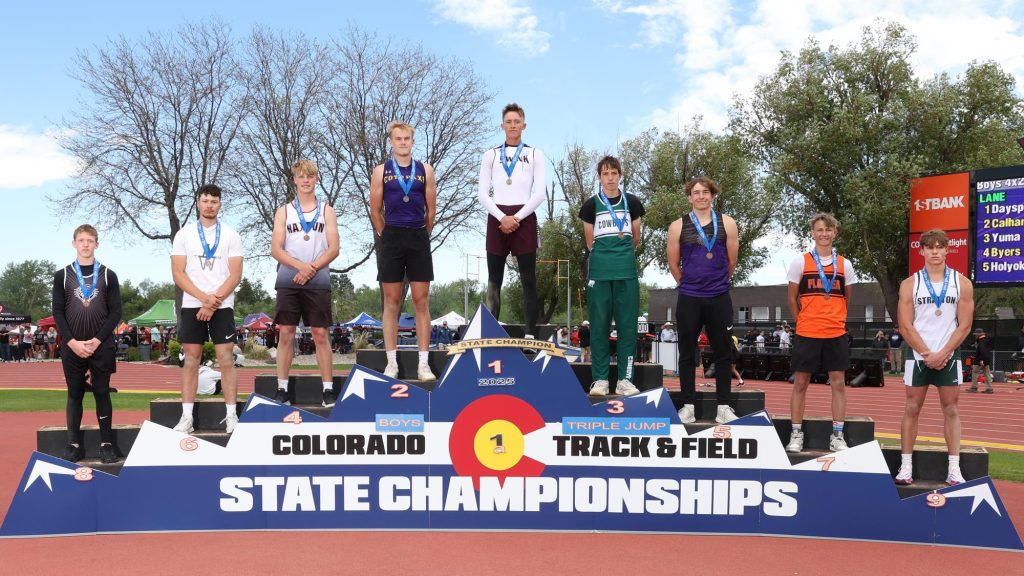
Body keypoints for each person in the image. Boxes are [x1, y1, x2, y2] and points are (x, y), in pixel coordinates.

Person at [896, 229, 974, 486]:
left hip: (949, 355)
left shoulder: (962, 283)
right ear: (922, 251)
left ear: (948, 249)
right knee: (912, 407)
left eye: (940, 247)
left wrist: (943, 353)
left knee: (951, 409)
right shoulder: (910, 284)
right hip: (918, 355)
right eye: (930, 247)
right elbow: (905, 325)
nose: (935, 251)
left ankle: (954, 468)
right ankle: (906, 466)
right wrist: (928, 354)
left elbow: (965, 325)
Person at [170, 184, 244, 434]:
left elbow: (235, 275)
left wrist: (213, 302)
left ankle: (231, 416)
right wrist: (204, 299)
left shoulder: (231, 235)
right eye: (205, 201)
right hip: (193, 303)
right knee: (191, 360)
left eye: (214, 201)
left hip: (222, 304)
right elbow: (178, 273)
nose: (209, 205)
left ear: (220, 204)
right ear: (198, 203)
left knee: (226, 359)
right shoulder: (184, 235)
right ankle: (187, 418)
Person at [667, 177, 740, 423]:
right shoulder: (677, 226)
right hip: (689, 297)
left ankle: (723, 407)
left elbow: (731, 261)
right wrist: (689, 284)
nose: (701, 196)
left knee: (723, 353)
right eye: (696, 192)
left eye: (705, 192)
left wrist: (716, 284)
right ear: (689, 197)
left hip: (719, 296)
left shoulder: (728, 223)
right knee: (687, 353)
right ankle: (687, 405)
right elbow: (673, 263)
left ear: (713, 195)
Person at [370, 121, 437, 381]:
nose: (402, 142)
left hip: (418, 235)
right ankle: (391, 363)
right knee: (391, 301)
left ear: (412, 141)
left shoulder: (425, 170)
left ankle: (423, 364)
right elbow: (375, 210)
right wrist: (386, 235)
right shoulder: (381, 171)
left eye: (406, 138)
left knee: (421, 300)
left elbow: (431, 209)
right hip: (392, 237)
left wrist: (422, 234)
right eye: (398, 139)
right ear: (391, 142)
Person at [271, 159, 341, 406]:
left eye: (310, 176)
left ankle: (328, 390)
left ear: (316, 179)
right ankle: (282, 389)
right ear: (294, 180)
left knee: (321, 334)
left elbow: (334, 248)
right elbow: (276, 249)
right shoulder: (284, 211)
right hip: (288, 278)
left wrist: (310, 268)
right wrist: (300, 267)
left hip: (318, 278)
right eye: (301, 176)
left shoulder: (327, 210)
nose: (305, 180)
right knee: (286, 333)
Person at [785, 213, 857, 453]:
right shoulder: (800, 262)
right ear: (812, 233)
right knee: (800, 383)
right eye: (819, 229)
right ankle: (796, 434)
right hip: (808, 332)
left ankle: (837, 436)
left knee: (839, 384)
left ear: (835, 233)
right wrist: (802, 322)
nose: (824, 233)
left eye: (828, 229)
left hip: (835, 332)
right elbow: (792, 298)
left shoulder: (845, 264)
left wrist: (835, 318)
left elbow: (847, 299)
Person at [52, 224, 122, 464]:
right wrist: (71, 342)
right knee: (75, 393)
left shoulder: (108, 275)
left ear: (96, 244)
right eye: (81, 240)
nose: (85, 244)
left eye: (90, 240)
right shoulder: (62, 275)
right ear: (74, 243)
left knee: (102, 392)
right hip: (72, 346)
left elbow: (116, 312)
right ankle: (73, 445)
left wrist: (97, 340)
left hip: (101, 345)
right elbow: (57, 312)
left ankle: (106, 445)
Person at [478, 103, 546, 338]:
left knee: (528, 280)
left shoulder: (535, 154)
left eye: (517, 122)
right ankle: (489, 333)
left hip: (523, 217)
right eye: (509, 122)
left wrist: (516, 218)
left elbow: (540, 194)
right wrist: (502, 217)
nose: (513, 125)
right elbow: (482, 194)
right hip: (497, 217)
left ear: (524, 125)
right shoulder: (491, 155)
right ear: (502, 126)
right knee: (494, 280)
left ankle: (529, 335)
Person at [580, 156, 645, 397]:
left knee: (627, 328)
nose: (610, 178)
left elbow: (635, 238)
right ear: (599, 177)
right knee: (599, 327)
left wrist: (620, 255)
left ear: (620, 175)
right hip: (599, 272)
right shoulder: (591, 205)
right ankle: (600, 380)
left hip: (626, 271)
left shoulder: (633, 202)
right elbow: (590, 243)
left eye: (614, 173)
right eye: (605, 174)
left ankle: (625, 379)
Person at [968, 327, 994, 393]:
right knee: (987, 374)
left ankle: (974, 388)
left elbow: (983, 351)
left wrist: (982, 360)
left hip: (979, 360)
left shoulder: (981, 341)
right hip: (986, 359)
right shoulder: (986, 340)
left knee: (975, 373)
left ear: (978, 335)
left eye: (975, 335)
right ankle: (989, 388)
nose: (975, 336)